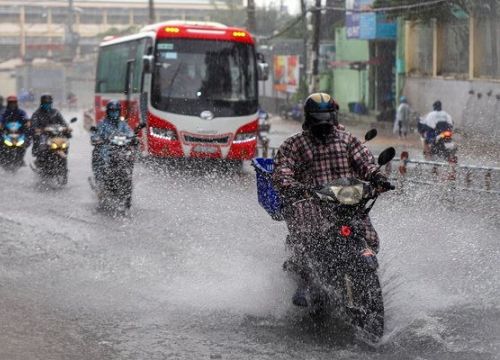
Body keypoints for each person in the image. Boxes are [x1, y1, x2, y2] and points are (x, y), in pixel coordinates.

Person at [272, 93, 391, 306]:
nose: (323, 124)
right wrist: (295, 188)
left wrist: (378, 177)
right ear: (309, 119)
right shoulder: (294, 145)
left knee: (370, 237)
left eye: (326, 118)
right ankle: (306, 281)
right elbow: (282, 172)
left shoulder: (348, 140)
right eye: (318, 119)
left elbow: (366, 163)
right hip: (311, 202)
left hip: (346, 201)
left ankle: (361, 279)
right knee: (306, 236)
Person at [91, 100, 134, 183]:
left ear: (119, 112)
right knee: (99, 154)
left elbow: (130, 132)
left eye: (116, 111)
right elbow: (95, 134)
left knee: (130, 155)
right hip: (106, 147)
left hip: (121, 148)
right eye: (112, 111)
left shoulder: (122, 123)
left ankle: (128, 175)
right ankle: (99, 179)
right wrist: (97, 139)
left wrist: (133, 138)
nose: (114, 113)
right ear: (108, 112)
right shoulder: (102, 123)